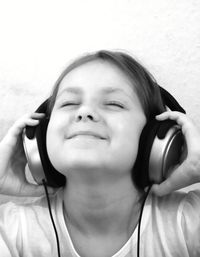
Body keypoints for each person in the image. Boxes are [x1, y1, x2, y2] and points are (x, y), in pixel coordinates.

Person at [0, 50, 200, 257]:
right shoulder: (13, 230)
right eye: (69, 103)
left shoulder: (188, 221)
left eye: (114, 103)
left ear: (160, 135)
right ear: (37, 137)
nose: (84, 112)